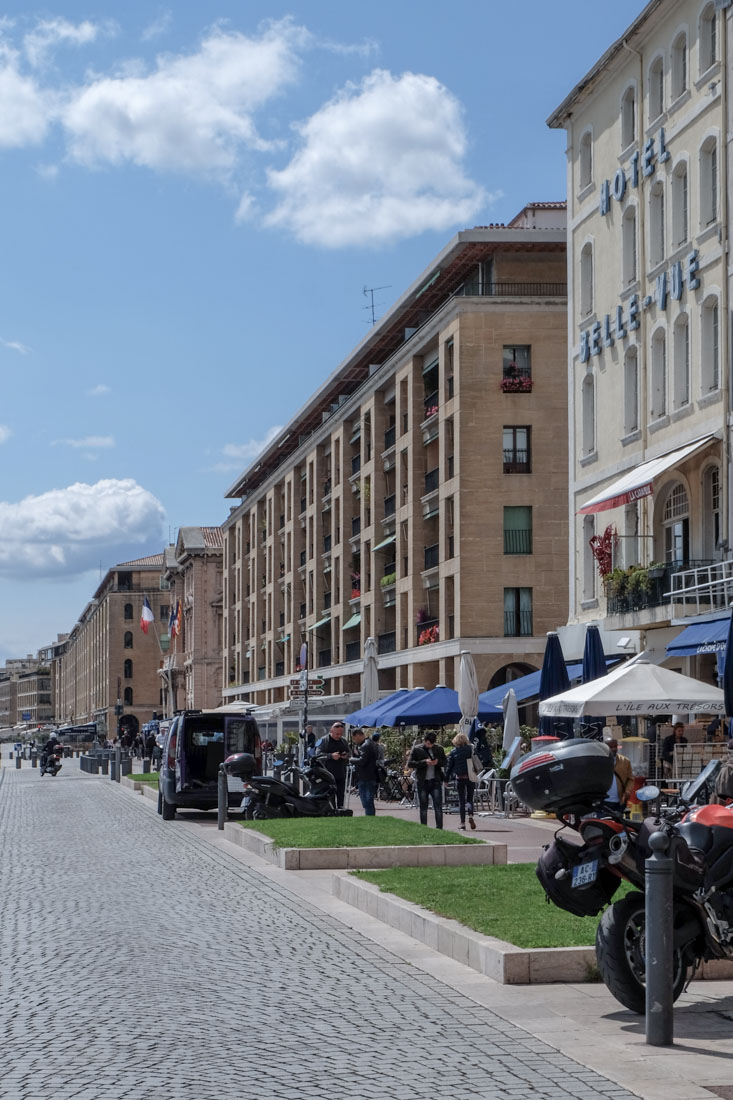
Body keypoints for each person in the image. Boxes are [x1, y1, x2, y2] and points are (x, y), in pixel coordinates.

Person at [407, 731, 447, 829]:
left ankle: (439, 828)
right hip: (422, 781)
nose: (430, 746)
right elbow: (410, 763)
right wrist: (425, 762)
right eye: (428, 743)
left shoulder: (439, 749)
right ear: (425, 741)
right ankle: (424, 828)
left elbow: (445, 762)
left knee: (438, 806)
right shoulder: (417, 749)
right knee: (423, 807)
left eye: (432, 744)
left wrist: (438, 762)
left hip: (435, 780)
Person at [445, 732, 476, 830]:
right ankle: (470, 815)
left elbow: (449, 767)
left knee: (461, 800)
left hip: (459, 778)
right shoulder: (470, 749)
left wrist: (446, 779)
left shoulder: (454, 752)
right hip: (470, 777)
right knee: (470, 798)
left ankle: (462, 823)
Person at [316, 722, 349, 808]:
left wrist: (346, 755)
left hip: (341, 772)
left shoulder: (343, 741)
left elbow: (349, 752)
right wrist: (331, 756)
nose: (338, 736)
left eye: (341, 734)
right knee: (330, 795)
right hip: (328, 773)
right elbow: (318, 755)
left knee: (341, 794)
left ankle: (341, 811)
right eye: (337, 734)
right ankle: (332, 811)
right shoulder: (323, 740)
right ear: (331, 730)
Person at [350, 728, 379, 815]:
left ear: (358, 735)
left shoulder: (365, 745)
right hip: (370, 775)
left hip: (365, 777)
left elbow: (362, 761)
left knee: (367, 801)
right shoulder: (371, 743)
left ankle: (370, 817)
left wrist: (351, 759)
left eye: (354, 738)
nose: (354, 741)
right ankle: (370, 816)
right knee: (368, 801)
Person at [605, 738, 634, 809]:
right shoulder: (599, 761)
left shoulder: (625, 761)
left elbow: (630, 779)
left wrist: (628, 791)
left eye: (615, 746)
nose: (614, 749)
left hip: (619, 802)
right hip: (603, 802)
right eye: (611, 747)